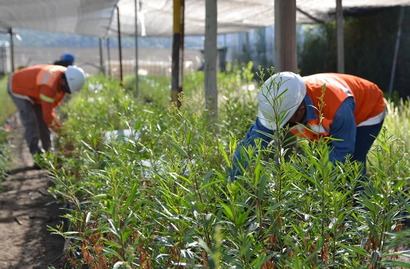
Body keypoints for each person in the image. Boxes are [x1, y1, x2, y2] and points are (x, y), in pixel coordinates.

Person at [231, 71, 386, 184]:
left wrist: (311, 180)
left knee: (354, 163)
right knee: (321, 156)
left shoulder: (338, 107)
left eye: (286, 122)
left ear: (301, 109)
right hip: (328, 117)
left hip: (368, 110)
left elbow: (343, 151)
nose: (282, 127)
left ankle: (357, 213)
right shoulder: (278, 106)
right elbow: (251, 144)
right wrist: (232, 180)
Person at [7, 64, 86, 159]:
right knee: (31, 122)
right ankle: (37, 157)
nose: (65, 91)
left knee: (42, 120)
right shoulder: (49, 84)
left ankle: (49, 154)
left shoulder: (66, 75)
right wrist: (64, 134)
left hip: (36, 89)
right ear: (65, 80)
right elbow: (48, 116)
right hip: (18, 86)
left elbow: (50, 109)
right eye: (65, 89)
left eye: (68, 91)